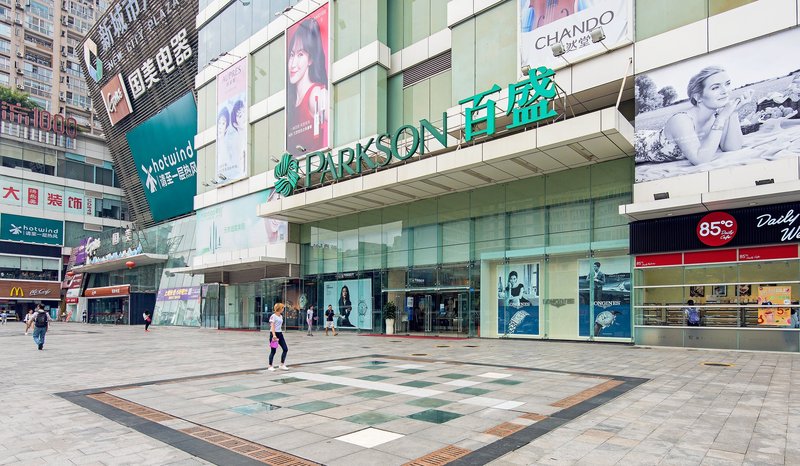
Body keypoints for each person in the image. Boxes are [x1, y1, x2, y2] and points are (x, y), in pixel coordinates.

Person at [636, 67, 754, 166]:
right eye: (715, 87)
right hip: (635, 145)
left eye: (727, 84)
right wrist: (722, 118)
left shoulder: (716, 116)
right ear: (698, 97)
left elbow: (732, 147)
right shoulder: (681, 120)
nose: (725, 91)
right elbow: (700, 160)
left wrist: (733, 112)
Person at [286, 15, 328, 153]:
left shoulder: (317, 94)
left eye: (300, 55)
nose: (293, 64)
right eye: (292, 55)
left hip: (320, 165)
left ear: (311, 59)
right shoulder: (291, 101)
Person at [224, 99, 246, 170]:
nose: (244, 117)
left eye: (244, 112)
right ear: (235, 124)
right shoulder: (235, 144)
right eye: (240, 116)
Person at [267, 302, 289, 371]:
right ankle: (270, 366)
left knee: (285, 349)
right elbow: (272, 326)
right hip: (274, 334)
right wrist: (274, 335)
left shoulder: (281, 316)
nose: (283, 309)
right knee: (273, 351)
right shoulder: (273, 316)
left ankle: (282, 364)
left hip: (280, 334)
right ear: (279, 308)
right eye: (282, 308)